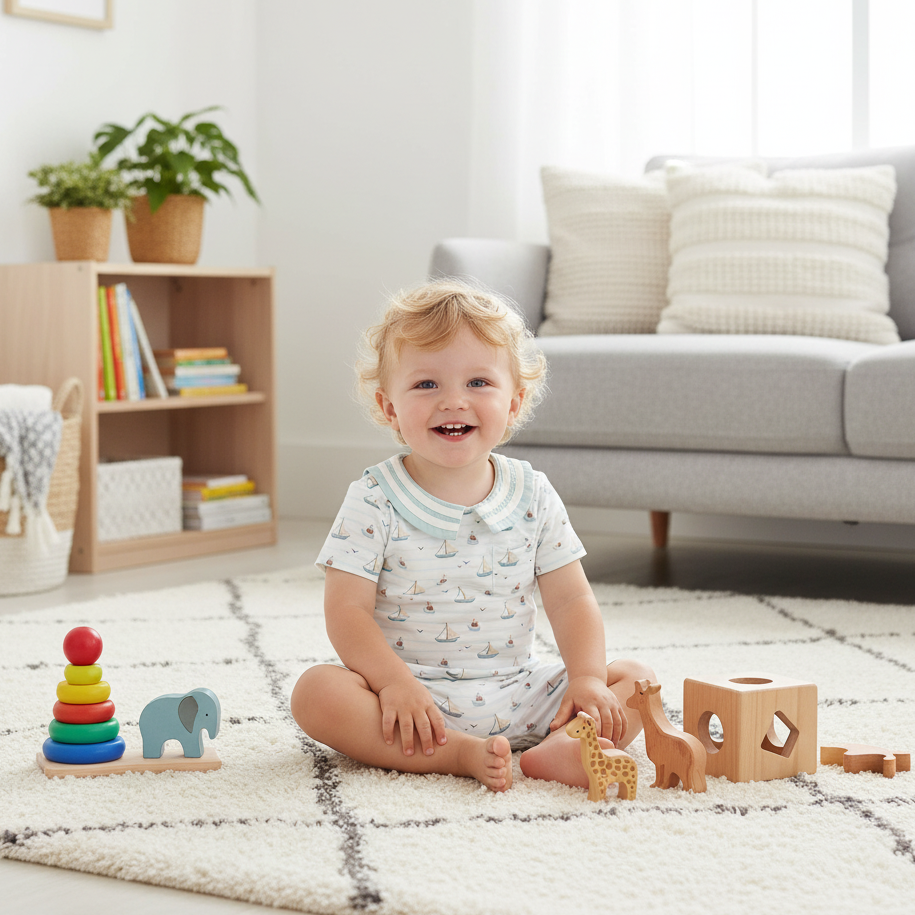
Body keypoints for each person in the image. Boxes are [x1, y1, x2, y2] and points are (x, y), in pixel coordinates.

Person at [291, 280, 655, 792]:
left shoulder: (533, 492)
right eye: (426, 384)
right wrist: (393, 683)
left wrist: (587, 679)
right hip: (412, 700)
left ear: (514, 403)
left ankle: (562, 746)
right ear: (389, 407)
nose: (453, 401)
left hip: (523, 691)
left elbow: (571, 599)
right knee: (315, 693)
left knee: (637, 680)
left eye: (479, 382)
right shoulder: (374, 498)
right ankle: (457, 754)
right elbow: (346, 612)